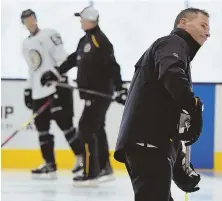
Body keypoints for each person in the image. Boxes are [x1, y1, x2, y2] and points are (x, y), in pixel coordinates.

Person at [114, 8, 210, 201]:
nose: (208, 33)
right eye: (203, 25)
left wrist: (179, 166)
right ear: (183, 22)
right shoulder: (172, 42)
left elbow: (163, 113)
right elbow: (172, 74)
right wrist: (192, 105)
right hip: (147, 144)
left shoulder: (176, 52)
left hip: (152, 144)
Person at [41, 6, 127, 185]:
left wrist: (120, 88)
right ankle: (105, 168)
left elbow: (113, 66)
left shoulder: (100, 41)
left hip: (99, 93)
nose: (80, 21)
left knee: (85, 128)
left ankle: (91, 172)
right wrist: (55, 73)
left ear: (90, 20)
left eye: (82, 19)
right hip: (89, 94)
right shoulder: (85, 40)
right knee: (96, 128)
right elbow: (73, 60)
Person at [21, 9, 83, 178]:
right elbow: (32, 69)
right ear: (23, 24)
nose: (30, 22)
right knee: (42, 129)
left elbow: (62, 59)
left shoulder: (50, 35)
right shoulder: (25, 44)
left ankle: (81, 158)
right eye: (26, 21)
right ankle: (49, 164)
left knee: (66, 126)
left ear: (36, 19)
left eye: (32, 18)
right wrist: (29, 89)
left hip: (57, 87)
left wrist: (56, 75)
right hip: (38, 93)